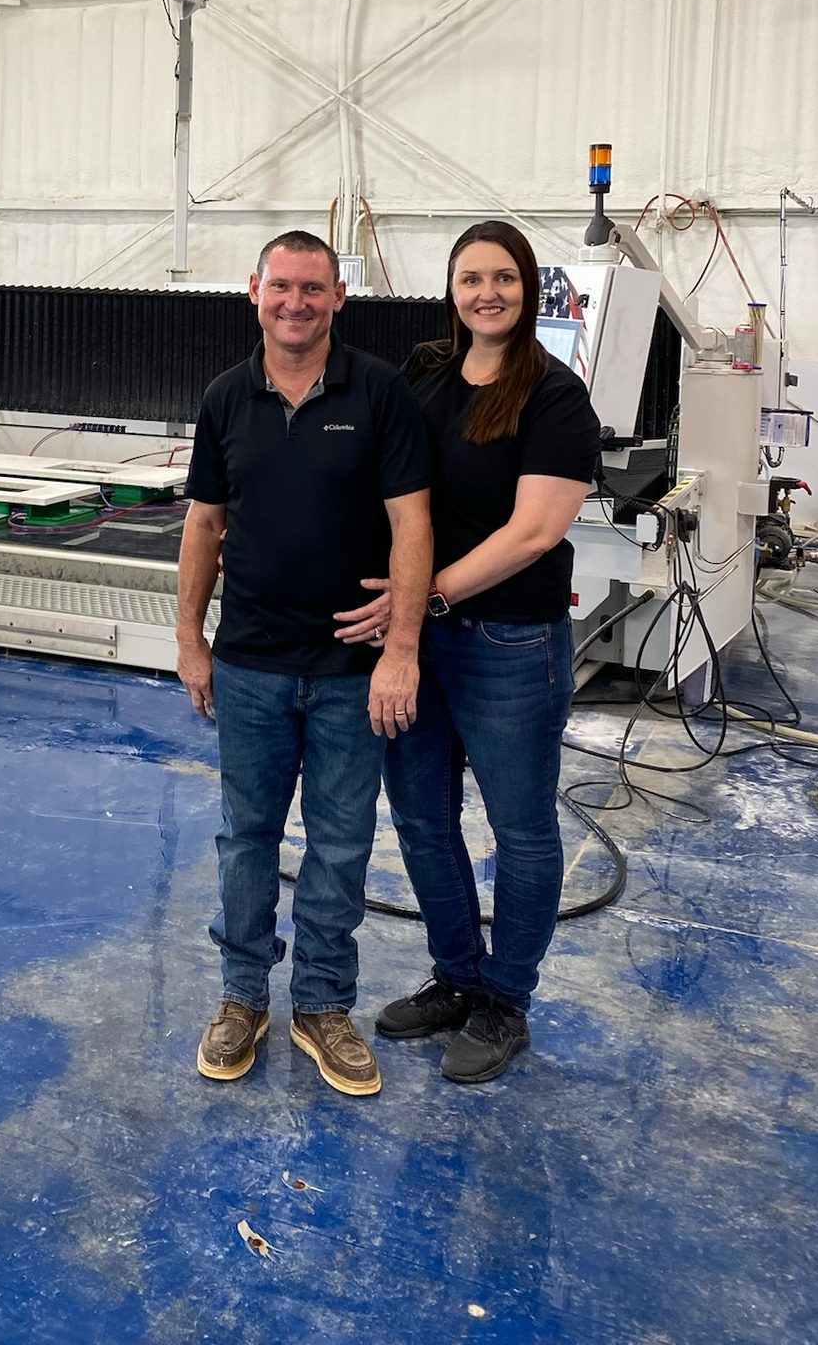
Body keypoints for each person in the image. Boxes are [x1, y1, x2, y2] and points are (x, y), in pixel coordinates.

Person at [336, 220, 600, 1083]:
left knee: (522, 831)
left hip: (509, 642)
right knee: (419, 816)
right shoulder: (425, 374)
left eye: (505, 279)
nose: (488, 293)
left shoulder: (556, 397)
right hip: (416, 641)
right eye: (470, 279)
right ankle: (455, 977)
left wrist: (428, 595)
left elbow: (534, 533)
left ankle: (505, 1001)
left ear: (529, 290)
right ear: (450, 291)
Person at [177, 230, 432, 1098]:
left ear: (338, 298)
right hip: (248, 665)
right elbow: (205, 526)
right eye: (281, 287)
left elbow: (412, 524)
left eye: (312, 288)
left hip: (348, 673)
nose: (295, 302)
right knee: (244, 839)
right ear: (255, 292)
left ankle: (322, 1005)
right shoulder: (223, 397)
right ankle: (242, 996)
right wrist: (188, 639)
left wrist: (402, 648)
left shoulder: (381, 393)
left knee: (341, 843)